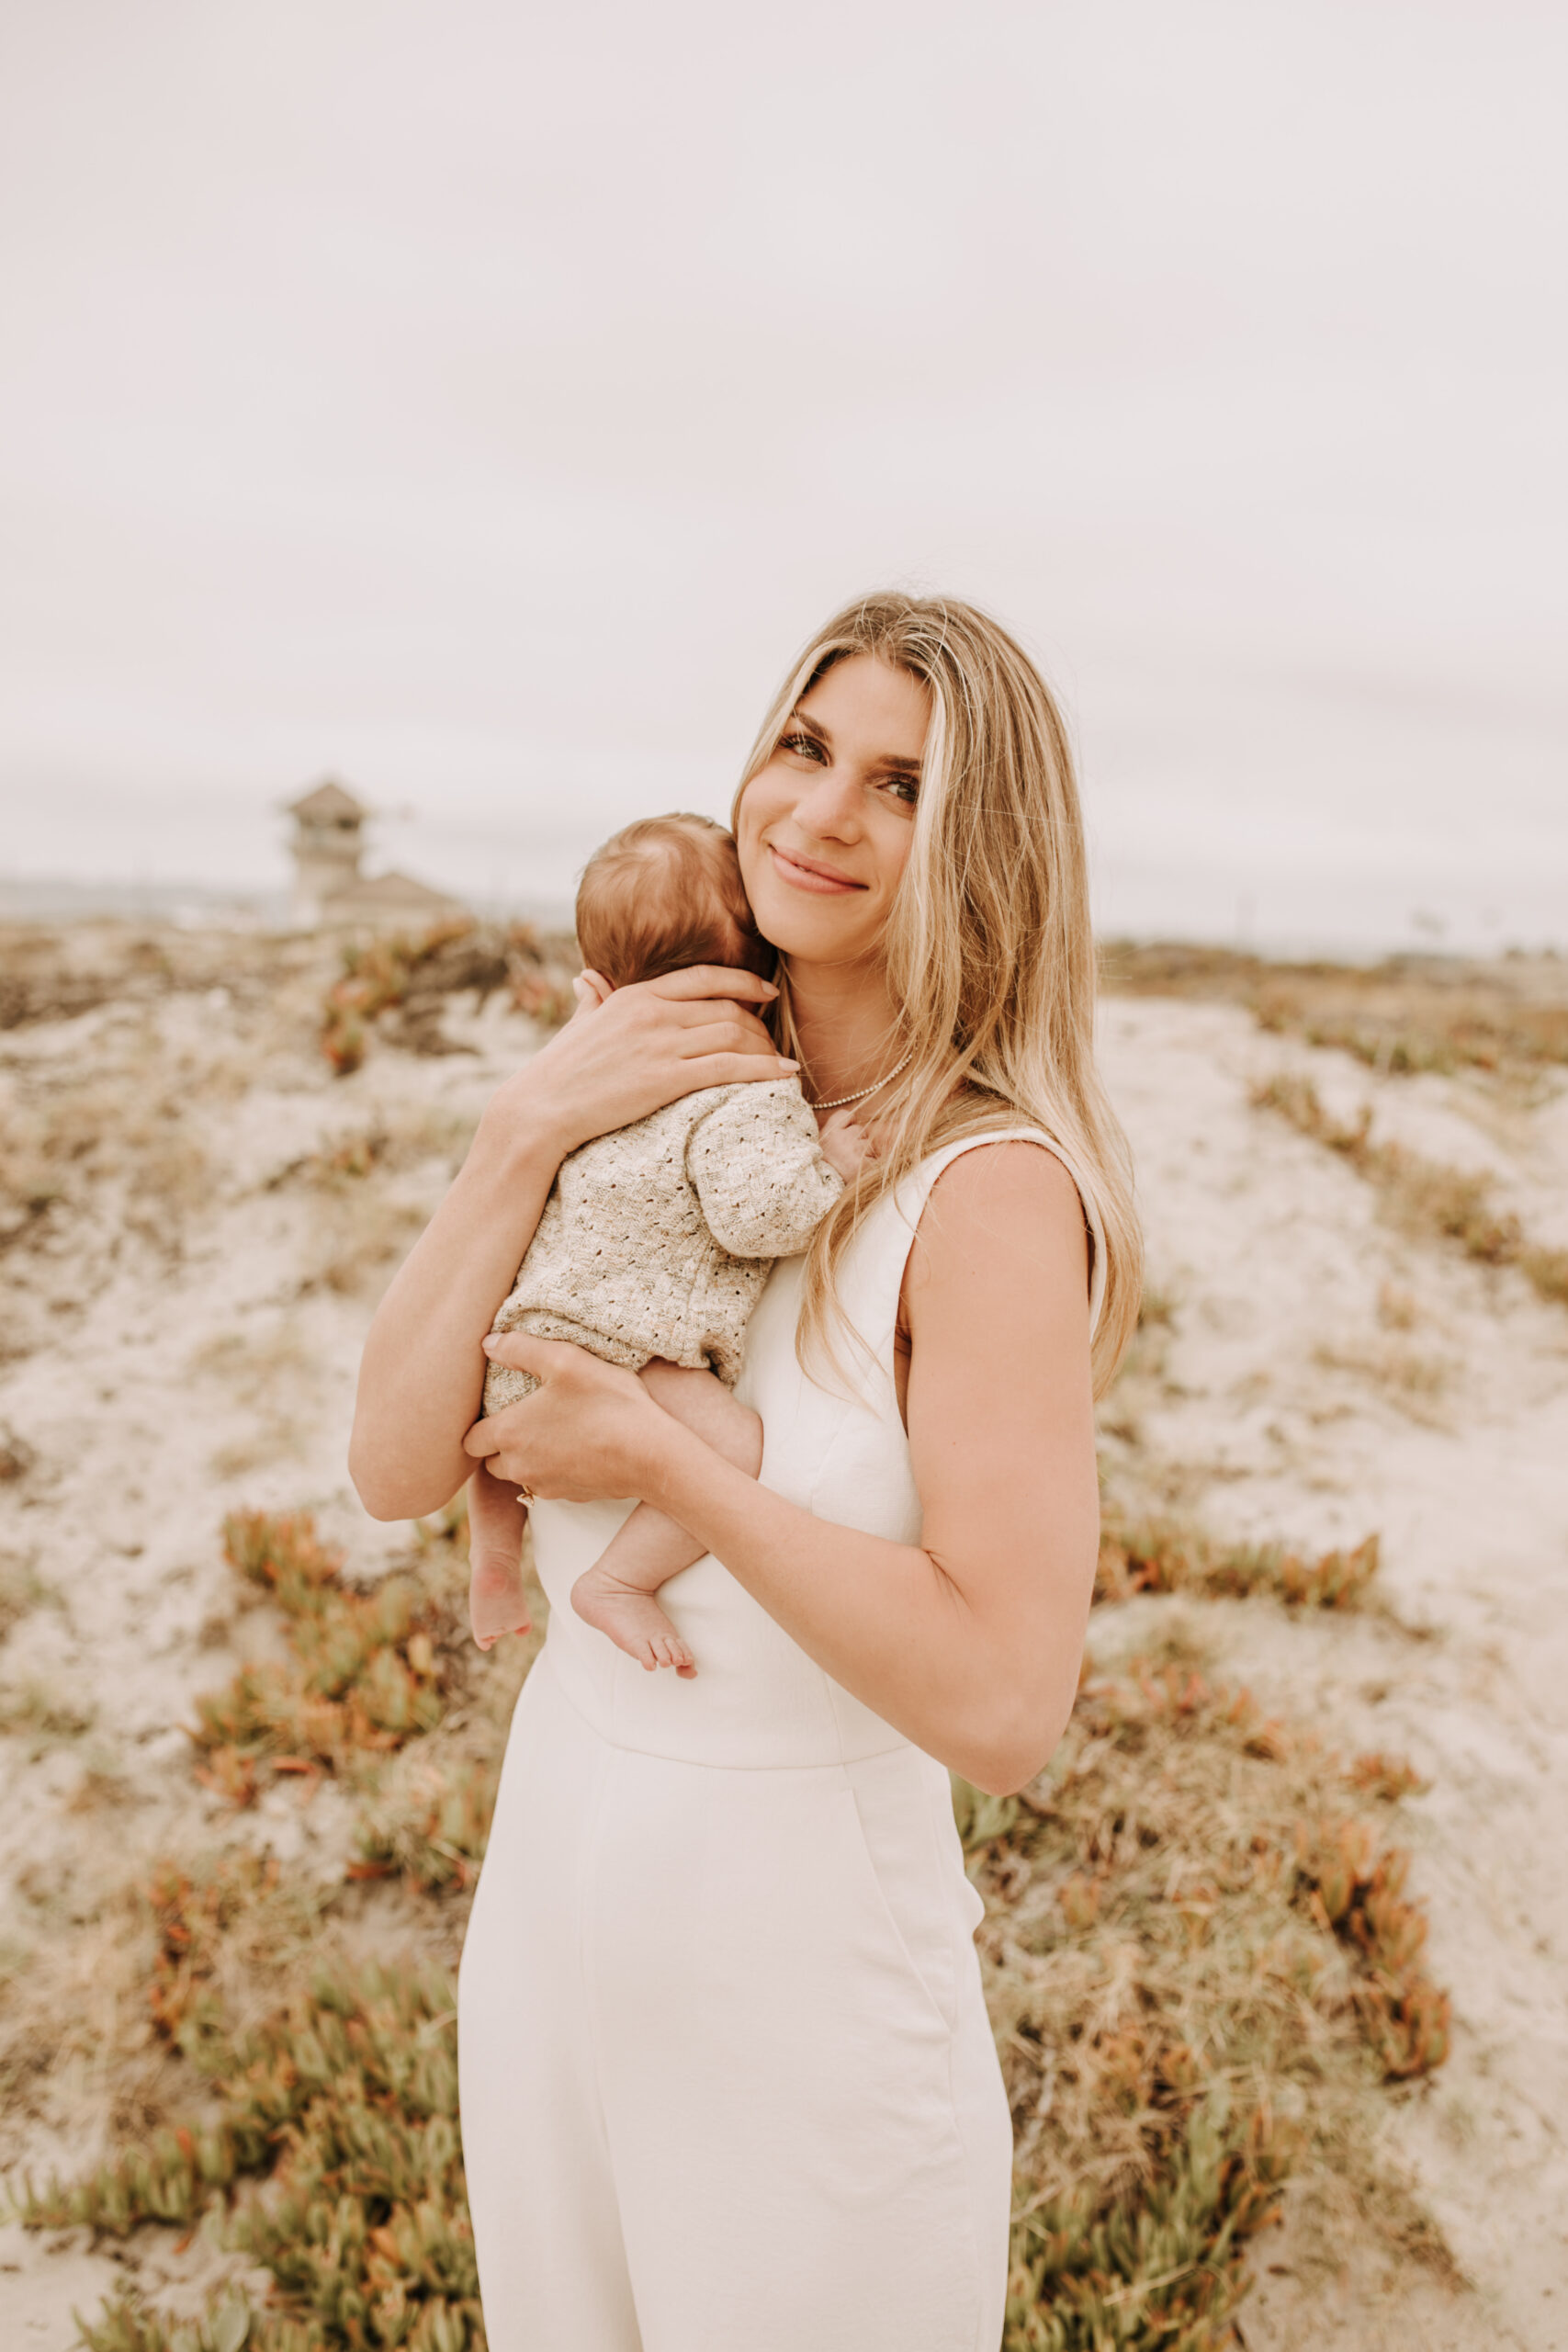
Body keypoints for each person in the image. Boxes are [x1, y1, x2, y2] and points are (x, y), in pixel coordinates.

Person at [349, 592, 1142, 2352]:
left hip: (801, 1985)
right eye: (801, 746)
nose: (817, 815)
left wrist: (655, 1463)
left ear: (983, 853)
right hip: (553, 1899)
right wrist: (520, 1129)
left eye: (900, 786)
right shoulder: (638, 1088)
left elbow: (1009, 1708)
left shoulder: (984, 1193)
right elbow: (397, 1466)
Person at [468, 810, 865, 1675]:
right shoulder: (743, 1083)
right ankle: (616, 1581)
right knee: (738, 1454)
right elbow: (755, 1218)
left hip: (517, 1342)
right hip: (624, 1356)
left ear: (601, 991)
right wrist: (829, 1168)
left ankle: (494, 1554)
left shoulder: (586, 1078)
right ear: (763, 980)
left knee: (489, 1436)